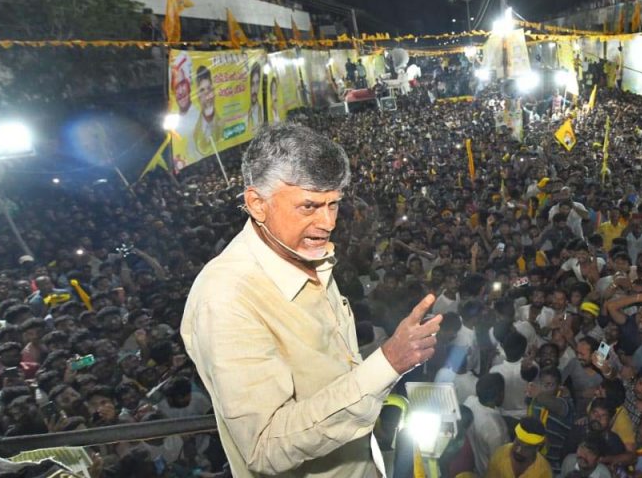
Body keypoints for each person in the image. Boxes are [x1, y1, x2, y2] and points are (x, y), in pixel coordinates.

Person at [181, 123, 442, 477]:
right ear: (257, 204)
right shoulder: (226, 297)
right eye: (309, 206)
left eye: (334, 205)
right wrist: (388, 362)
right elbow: (265, 446)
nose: (328, 222)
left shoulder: (309, 257)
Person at [486, 417, 553, 478]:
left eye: (526, 447)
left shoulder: (544, 472)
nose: (518, 450)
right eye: (518, 443)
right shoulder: (499, 455)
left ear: (537, 448)